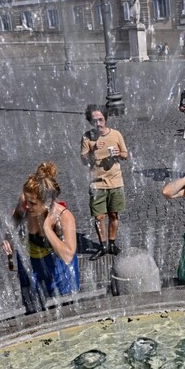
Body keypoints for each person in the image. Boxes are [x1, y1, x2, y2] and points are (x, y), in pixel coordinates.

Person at [2, 162, 79, 313]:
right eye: (26, 201)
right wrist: (7, 237)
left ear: (46, 203)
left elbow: (68, 255)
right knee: (34, 309)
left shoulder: (64, 217)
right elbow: (17, 215)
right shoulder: (25, 201)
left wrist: (47, 229)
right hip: (32, 262)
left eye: (32, 203)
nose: (27, 206)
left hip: (58, 266)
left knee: (66, 310)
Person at [80, 104, 129, 260]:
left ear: (105, 119)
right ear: (90, 121)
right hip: (97, 183)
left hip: (115, 181)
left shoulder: (115, 134)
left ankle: (112, 244)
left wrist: (118, 154)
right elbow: (83, 160)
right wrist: (93, 149)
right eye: (95, 120)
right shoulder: (87, 137)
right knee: (99, 217)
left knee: (114, 215)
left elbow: (125, 154)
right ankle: (103, 246)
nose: (98, 123)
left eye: (101, 119)